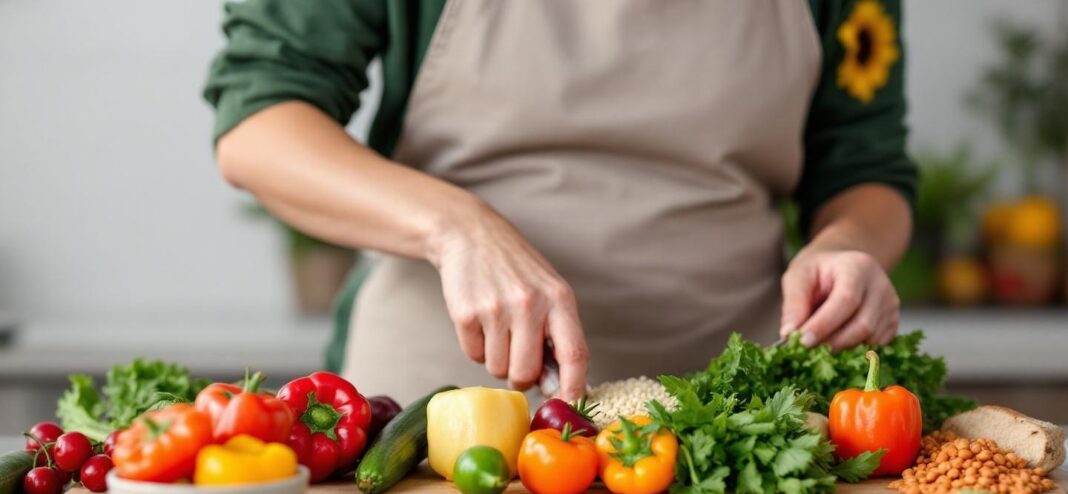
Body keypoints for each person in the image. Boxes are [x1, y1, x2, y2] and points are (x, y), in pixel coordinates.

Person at [205, 0, 915, 404]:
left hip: (739, 417)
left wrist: (848, 244)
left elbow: (865, 165)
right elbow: (260, 123)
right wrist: (454, 227)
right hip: (439, 414)